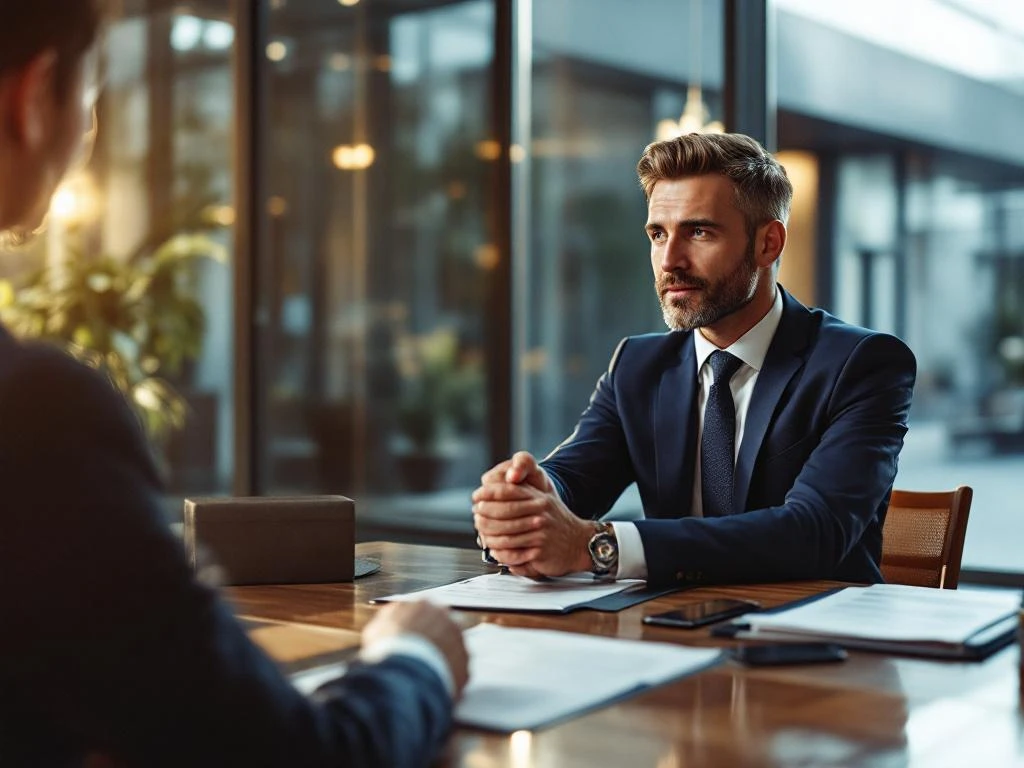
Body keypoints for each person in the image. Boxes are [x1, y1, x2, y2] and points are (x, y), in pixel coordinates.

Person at [0, 3, 468, 766]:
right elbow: (304, 756)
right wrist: (412, 659)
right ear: (34, 95)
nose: (87, 133)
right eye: (92, 95)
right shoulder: (37, 416)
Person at [472, 132, 916, 587]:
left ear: (768, 244)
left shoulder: (862, 364)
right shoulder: (638, 364)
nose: (670, 260)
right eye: (658, 234)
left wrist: (598, 546)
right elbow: (576, 475)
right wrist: (524, 501)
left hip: (816, 634)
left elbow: (814, 532)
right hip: (667, 627)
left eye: (699, 232)